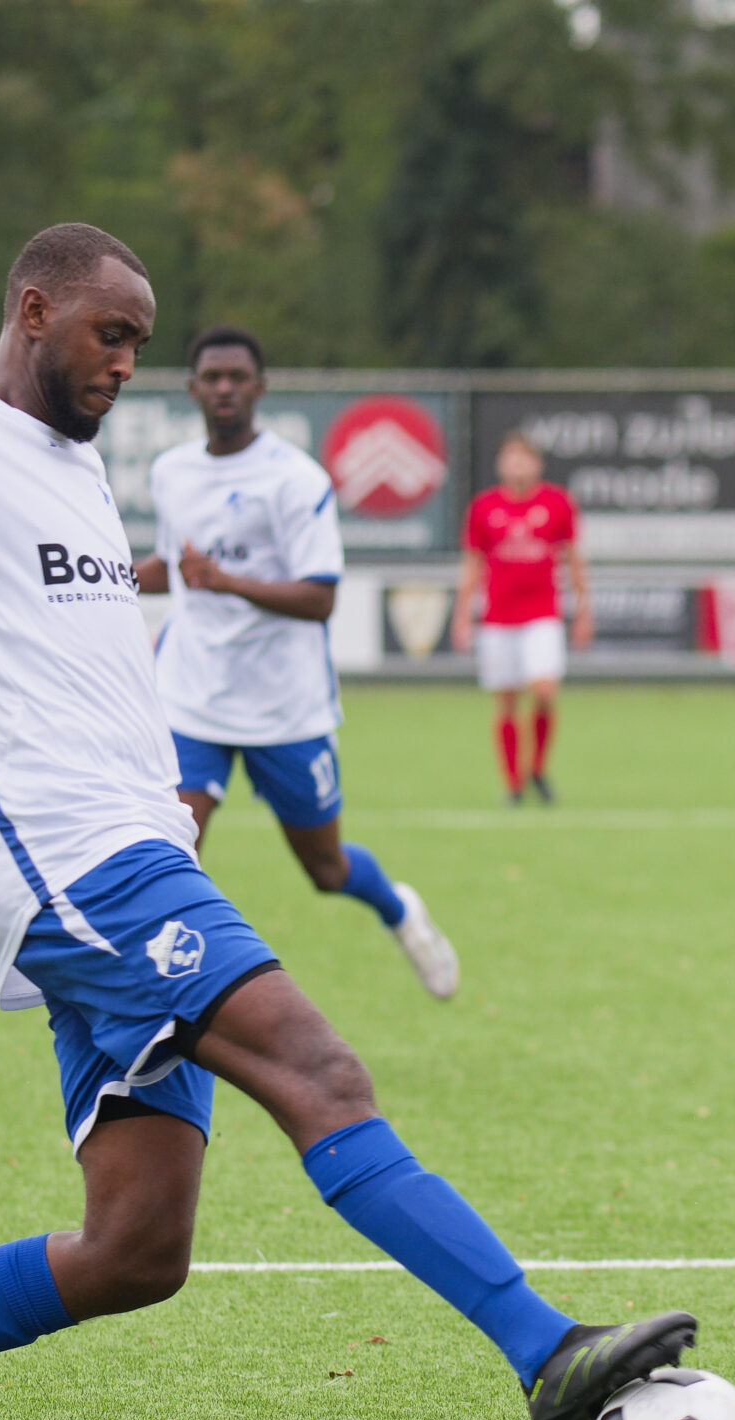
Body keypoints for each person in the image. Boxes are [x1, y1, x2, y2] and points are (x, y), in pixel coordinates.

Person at [0, 226, 694, 1420]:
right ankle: (545, 1348)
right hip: (72, 866)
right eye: (109, 334)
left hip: (138, 852)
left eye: (139, 343)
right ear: (33, 310)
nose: (126, 363)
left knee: (136, 1249)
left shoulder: (81, 472)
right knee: (321, 1070)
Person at [134, 326, 458, 998]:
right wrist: (105, 579)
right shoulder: (171, 472)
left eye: (237, 377)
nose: (224, 388)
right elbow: (176, 565)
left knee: (325, 868)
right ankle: (179, 1005)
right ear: (193, 389)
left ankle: (399, 909)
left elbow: (319, 597)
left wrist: (224, 581)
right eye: (212, 377)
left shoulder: (295, 479)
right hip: (191, 695)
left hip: (284, 705)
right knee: (173, 856)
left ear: (260, 388)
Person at [451, 433, 591, 803]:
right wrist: (462, 615)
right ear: (500, 465)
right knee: (507, 700)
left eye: (524, 458)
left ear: (537, 464)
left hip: (542, 615)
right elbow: (472, 564)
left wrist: (583, 611)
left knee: (544, 691)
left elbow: (574, 559)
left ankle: (538, 768)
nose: (517, 465)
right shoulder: (484, 508)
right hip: (498, 619)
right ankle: (513, 784)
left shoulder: (557, 503)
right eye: (511, 458)